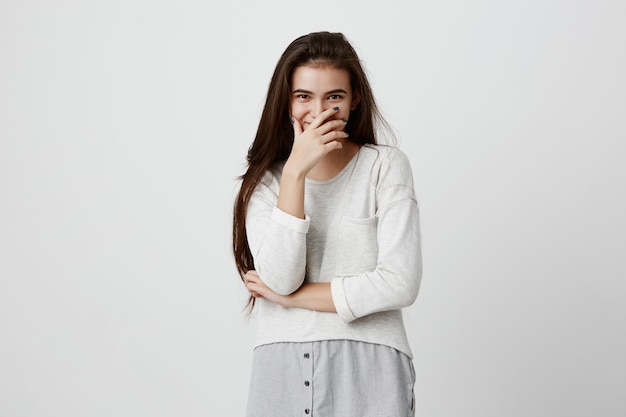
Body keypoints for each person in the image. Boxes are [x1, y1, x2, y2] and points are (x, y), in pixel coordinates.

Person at [232, 31, 422, 417]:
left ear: (354, 100)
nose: (318, 112)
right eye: (304, 96)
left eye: (334, 96)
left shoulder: (385, 167)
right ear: (286, 101)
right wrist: (295, 174)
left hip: (370, 361)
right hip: (280, 361)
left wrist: (292, 299)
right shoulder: (266, 183)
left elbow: (400, 282)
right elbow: (281, 275)